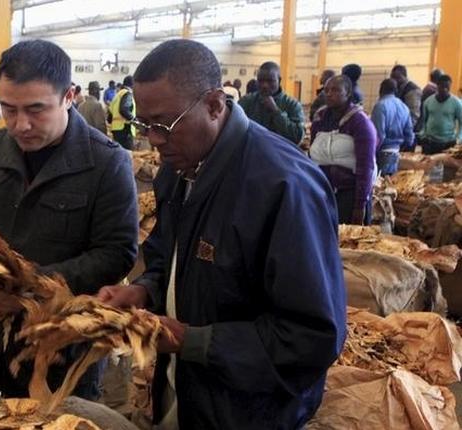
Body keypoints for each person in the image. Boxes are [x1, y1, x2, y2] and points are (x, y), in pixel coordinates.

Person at [99, 39, 346, 429]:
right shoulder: (178, 170)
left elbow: (311, 336)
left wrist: (190, 341)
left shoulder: (284, 187)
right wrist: (145, 288)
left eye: (165, 125)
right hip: (186, 391)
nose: (155, 140)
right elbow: (168, 254)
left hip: (249, 412)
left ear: (214, 105)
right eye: (145, 125)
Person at [0, 39, 137, 401]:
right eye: (8, 109)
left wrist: (26, 291)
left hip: (63, 351)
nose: (21, 125)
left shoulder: (106, 163)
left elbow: (116, 254)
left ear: (69, 95)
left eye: (36, 110)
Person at [310, 75, 377, 225]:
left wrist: (359, 206)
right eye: (326, 90)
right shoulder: (320, 119)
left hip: (349, 196)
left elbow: (366, 167)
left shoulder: (361, 123)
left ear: (347, 93)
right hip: (323, 193)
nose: (328, 94)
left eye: (335, 90)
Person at [238, 61, 304, 144]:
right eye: (261, 81)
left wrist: (276, 111)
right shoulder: (247, 101)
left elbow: (297, 137)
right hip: (251, 152)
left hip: (280, 153)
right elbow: (234, 128)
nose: (265, 85)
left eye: (270, 81)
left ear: (279, 80)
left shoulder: (292, 104)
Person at [371, 79, 414, 175]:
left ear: (380, 91)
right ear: (396, 91)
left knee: (379, 186)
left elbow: (378, 135)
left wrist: (370, 153)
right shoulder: (404, 107)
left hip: (382, 154)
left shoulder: (380, 106)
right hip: (396, 153)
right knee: (390, 186)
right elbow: (410, 137)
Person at [419, 75, 462, 155]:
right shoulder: (428, 102)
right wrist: (423, 135)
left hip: (448, 143)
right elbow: (424, 121)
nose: (445, 89)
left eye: (447, 87)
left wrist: (458, 138)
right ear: (437, 86)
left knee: (445, 166)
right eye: (442, 86)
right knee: (427, 165)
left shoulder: (456, 103)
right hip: (430, 142)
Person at [391, 65, 423, 131]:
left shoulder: (412, 91)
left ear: (404, 76)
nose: (394, 80)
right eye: (392, 78)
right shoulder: (398, 89)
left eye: (397, 77)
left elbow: (413, 116)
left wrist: (406, 131)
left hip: (409, 131)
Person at [108, 75, 136, 150]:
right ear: (133, 84)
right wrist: (134, 120)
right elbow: (124, 109)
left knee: (119, 154)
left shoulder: (117, 95)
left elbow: (109, 117)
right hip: (125, 129)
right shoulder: (127, 94)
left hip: (116, 130)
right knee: (128, 155)